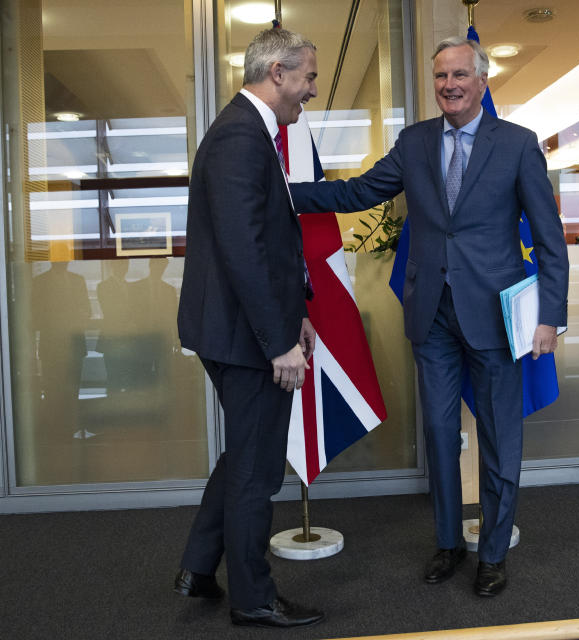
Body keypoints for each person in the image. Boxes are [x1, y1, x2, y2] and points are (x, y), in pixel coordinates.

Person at [290, 36, 569, 597]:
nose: (450, 85)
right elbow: (363, 190)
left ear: (482, 80)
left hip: (496, 315)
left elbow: (549, 235)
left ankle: (492, 552)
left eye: (460, 75)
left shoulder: (517, 145)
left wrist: (550, 317)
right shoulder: (415, 142)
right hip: (432, 314)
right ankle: (446, 542)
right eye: (441, 76)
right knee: (441, 435)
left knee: (498, 437)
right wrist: (285, 193)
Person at [173, 28, 325, 628]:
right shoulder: (241, 135)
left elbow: (272, 245)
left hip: (242, 329)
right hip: (245, 338)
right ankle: (254, 599)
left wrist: (299, 314)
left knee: (244, 454)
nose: (311, 90)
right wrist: (279, 342)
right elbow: (244, 251)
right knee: (258, 471)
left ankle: (198, 567)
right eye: (308, 77)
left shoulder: (251, 131)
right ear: (278, 72)